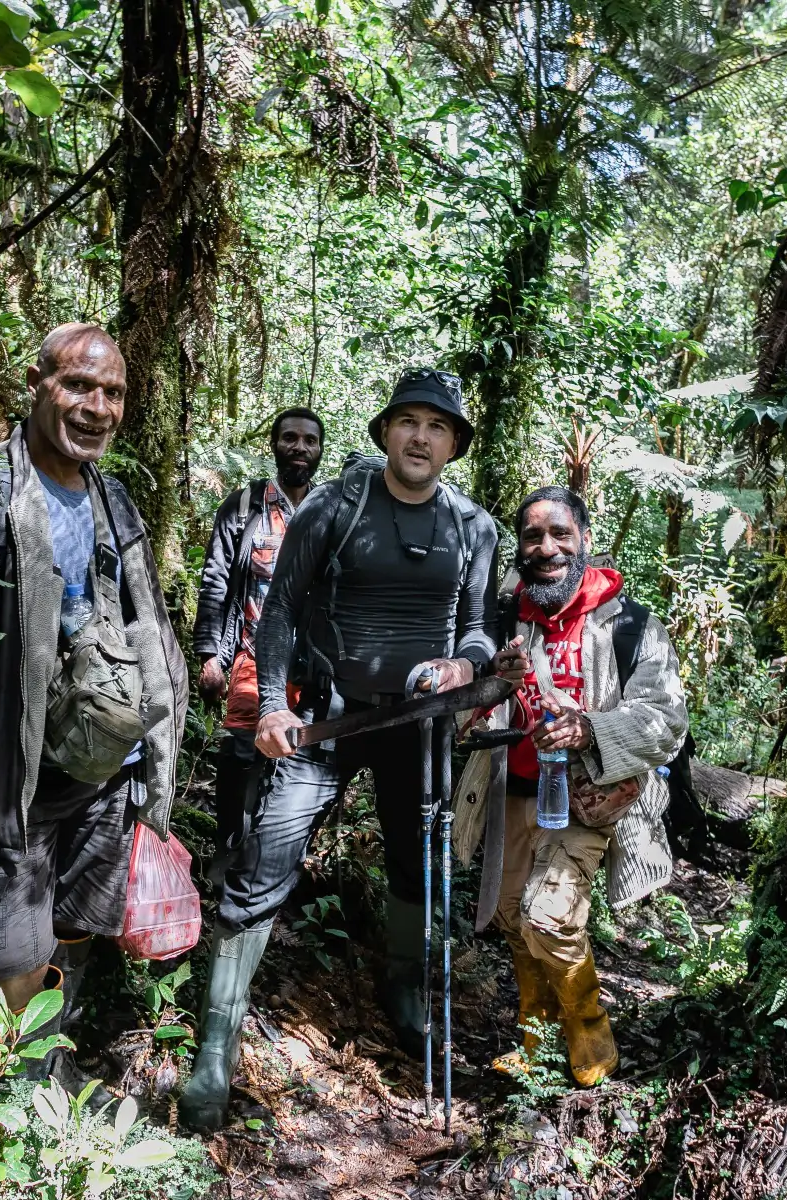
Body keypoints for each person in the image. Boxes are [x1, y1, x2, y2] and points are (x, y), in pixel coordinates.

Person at [178, 369, 499, 1132]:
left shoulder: (474, 527)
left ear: (453, 444)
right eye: (408, 421)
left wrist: (464, 664)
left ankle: (406, 994)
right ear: (386, 431)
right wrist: (272, 703)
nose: (421, 436)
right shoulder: (336, 504)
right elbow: (281, 606)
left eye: (437, 426)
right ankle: (214, 1052)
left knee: (415, 866)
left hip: (417, 726)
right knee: (263, 863)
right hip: (323, 718)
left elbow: (482, 625)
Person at [0, 323, 188, 1093]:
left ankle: (49, 1070)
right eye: (78, 386)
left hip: (104, 779)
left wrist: (152, 770)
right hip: (14, 790)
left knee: (76, 930)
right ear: (37, 384)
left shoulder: (112, 498)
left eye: (113, 392)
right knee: (12, 958)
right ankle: (12, 1109)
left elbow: (144, 628)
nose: (97, 407)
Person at [473, 485, 687, 1087]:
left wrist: (590, 729)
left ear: (585, 540)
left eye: (560, 534)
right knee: (514, 917)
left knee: (550, 918)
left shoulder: (632, 624)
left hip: (592, 800)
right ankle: (534, 1040)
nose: (547, 548)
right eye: (533, 537)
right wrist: (493, 678)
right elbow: (467, 704)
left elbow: (666, 719)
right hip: (512, 791)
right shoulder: (498, 618)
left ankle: (589, 1027)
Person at [192, 408, 326, 878]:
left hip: (309, 667)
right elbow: (215, 579)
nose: (300, 448)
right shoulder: (245, 505)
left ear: (319, 450)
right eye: (290, 438)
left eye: (309, 441)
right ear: (274, 444)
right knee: (242, 754)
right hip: (251, 653)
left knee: (297, 760)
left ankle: (274, 860)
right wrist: (210, 653)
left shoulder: (327, 509)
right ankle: (229, 849)